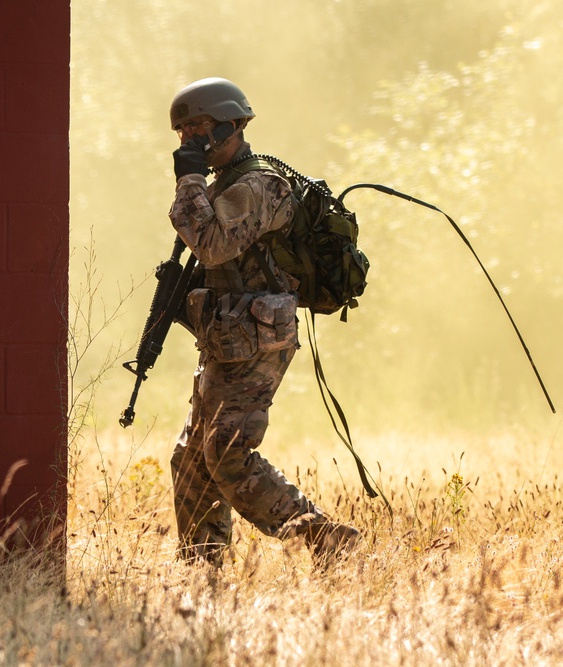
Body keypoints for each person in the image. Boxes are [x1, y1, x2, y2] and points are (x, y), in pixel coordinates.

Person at [166, 77, 360, 568]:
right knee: (192, 461)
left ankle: (324, 538)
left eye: (201, 126)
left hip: (256, 343)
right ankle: (201, 573)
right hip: (226, 339)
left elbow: (212, 243)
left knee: (228, 457)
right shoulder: (224, 186)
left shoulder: (260, 186)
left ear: (232, 124)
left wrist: (188, 182)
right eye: (183, 130)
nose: (190, 138)